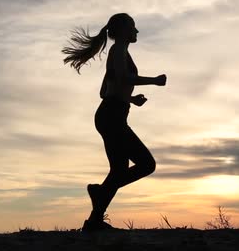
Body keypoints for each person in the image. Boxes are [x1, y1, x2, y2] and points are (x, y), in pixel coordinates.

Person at [62, 13, 167, 232]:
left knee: (119, 170)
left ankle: (94, 222)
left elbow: (104, 91)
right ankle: (99, 195)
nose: (136, 31)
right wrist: (154, 81)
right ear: (121, 30)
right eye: (133, 27)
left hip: (111, 113)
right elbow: (122, 79)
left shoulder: (119, 52)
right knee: (147, 164)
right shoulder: (118, 50)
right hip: (112, 116)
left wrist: (130, 98)